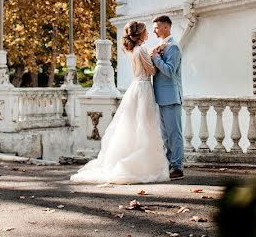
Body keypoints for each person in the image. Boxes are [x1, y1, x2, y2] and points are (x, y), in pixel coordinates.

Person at [70, 21, 170, 184]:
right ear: (141, 35)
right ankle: (143, 166)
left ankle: (136, 162)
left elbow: (143, 64)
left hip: (135, 87)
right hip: (144, 88)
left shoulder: (134, 50)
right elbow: (151, 71)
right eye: (146, 32)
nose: (148, 34)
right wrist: (156, 57)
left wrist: (151, 54)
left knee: (133, 125)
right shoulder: (142, 50)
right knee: (145, 125)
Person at [150, 15, 184, 180]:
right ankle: (170, 166)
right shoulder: (160, 46)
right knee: (165, 136)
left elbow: (170, 71)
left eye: (156, 27)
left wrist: (156, 57)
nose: (154, 30)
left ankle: (178, 168)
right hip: (161, 97)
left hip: (171, 97)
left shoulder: (173, 48)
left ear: (166, 27)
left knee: (174, 134)